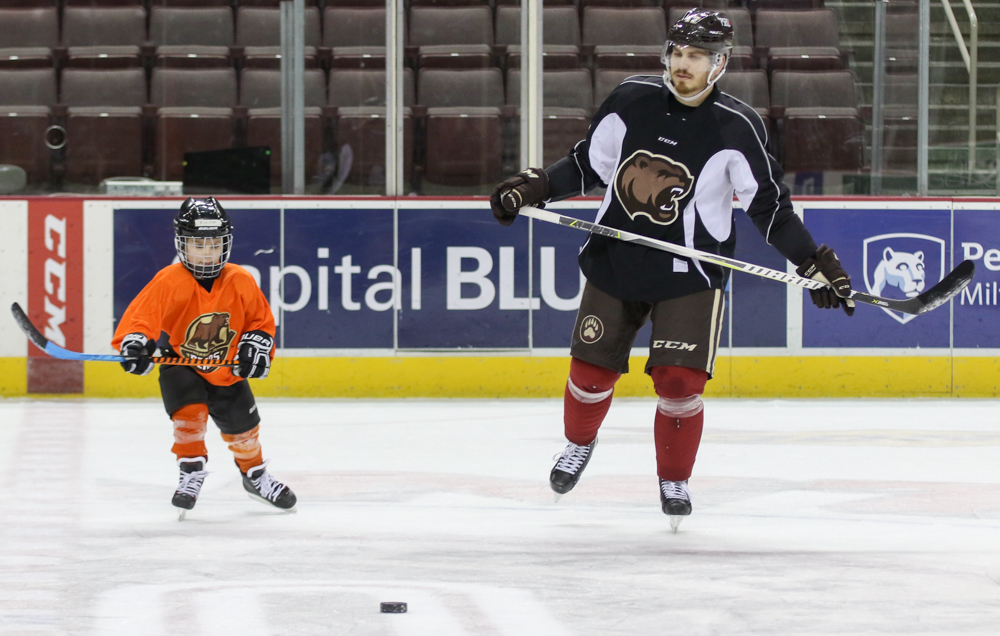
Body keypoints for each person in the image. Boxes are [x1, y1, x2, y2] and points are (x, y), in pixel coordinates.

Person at [489, 9, 854, 528]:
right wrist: (534, 186)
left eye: (696, 56)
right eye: (678, 53)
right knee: (590, 376)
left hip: (690, 275)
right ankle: (577, 444)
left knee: (680, 383)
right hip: (617, 260)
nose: (683, 64)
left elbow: (767, 207)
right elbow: (586, 164)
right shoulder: (630, 100)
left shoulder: (738, 127)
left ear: (720, 63)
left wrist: (812, 261)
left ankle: (673, 477)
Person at [112, 197, 296, 518]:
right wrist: (135, 344)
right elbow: (142, 318)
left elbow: (260, 322)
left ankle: (255, 475)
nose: (207, 252)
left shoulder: (239, 279)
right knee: (189, 416)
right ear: (182, 244)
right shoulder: (169, 280)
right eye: (198, 245)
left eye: (214, 244)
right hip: (181, 363)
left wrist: (255, 347)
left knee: (245, 432)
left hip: (226, 370)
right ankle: (191, 471)